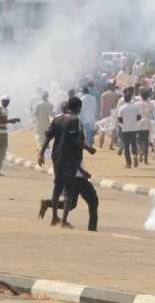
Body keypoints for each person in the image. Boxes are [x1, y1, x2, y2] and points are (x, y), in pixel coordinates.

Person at [39, 97, 97, 229]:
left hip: (57, 158)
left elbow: (48, 136)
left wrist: (41, 154)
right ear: (78, 108)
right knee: (69, 191)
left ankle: (54, 218)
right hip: (70, 160)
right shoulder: (74, 120)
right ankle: (64, 221)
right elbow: (75, 140)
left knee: (57, 188)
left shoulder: (57, 119)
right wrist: (89, 148)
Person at [117, 90, 141, 168]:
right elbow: (139, 117)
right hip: (134, 128)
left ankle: (128, 163)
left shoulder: (122, 108)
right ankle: (135, 157)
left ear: (124, 99)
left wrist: (123, 124)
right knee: (134, 144)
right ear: (130, 99)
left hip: (125, 129)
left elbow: (119, 119)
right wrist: (133, 121)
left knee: (126, 146)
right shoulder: (135, 106)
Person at [98, 83, 121, 149]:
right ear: (112, 87)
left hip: (105, 112)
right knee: (113, 130)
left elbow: (102, 106)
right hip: (113, 113)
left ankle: (101, 144)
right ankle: (111, 145)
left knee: (103, 129)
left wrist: (101, 113)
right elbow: (117, 105)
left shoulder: (103, 94)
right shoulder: (116, 95)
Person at [135, 90, 154, 165]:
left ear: (141, 96)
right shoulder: (151, 104)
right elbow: (153, 115)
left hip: (138, 123)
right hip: (147, 124)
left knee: (138, 140)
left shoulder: (136, 104)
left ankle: (139, 151)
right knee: (145, 141)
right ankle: (145, 159)